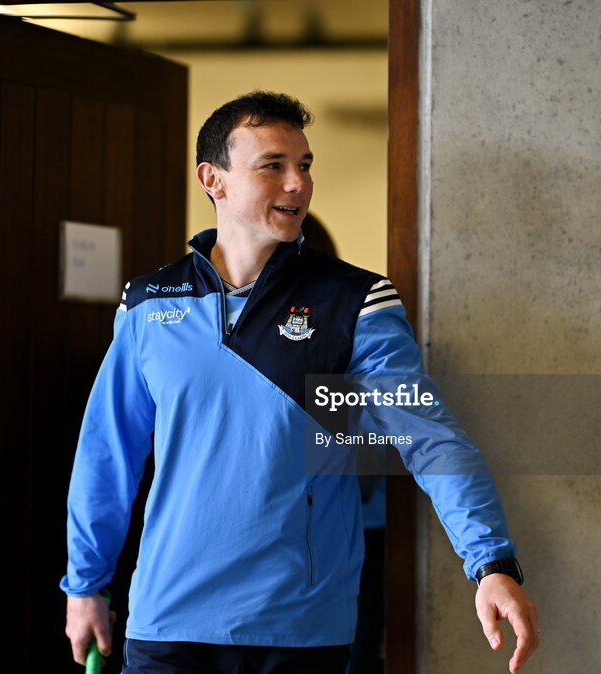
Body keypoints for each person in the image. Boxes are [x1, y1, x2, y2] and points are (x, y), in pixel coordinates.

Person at [62, 91, 539, 674]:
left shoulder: (356, 300)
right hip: (168, 623)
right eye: (273, 166)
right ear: (213, 179)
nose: (298, 184)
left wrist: (491, 562)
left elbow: (428, 436)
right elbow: (108, 453)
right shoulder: (146, 305)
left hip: (300, 629)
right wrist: (86, 585)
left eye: (305, 166)